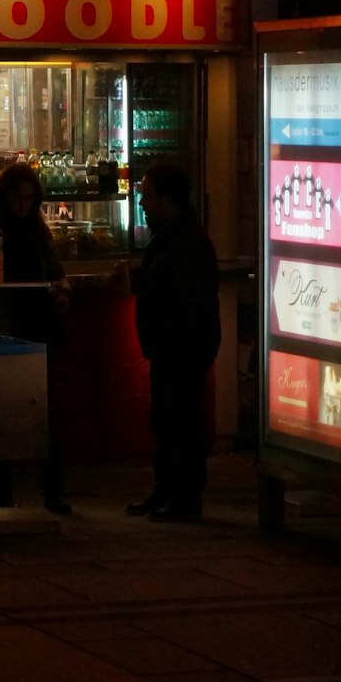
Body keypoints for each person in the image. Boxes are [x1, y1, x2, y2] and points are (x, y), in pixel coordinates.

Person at [0, 161, 72, 514]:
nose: (23, 205)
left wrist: (61, 291)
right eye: (17, 198)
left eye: (28, 199)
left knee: (44, 411)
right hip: (7, 325)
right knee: (1, 409)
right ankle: (2, 491)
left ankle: (51, 491)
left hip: (39, 324)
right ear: (5, 198)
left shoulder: (39, 232)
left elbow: (55, 272)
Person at [125, 162, 220, 523]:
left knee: (181, 422)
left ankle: (184, 499)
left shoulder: (185, 242)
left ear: (167, 199)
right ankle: (167, 491)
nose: (142, 202)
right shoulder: (174, 237)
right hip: (171, 348)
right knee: (168, 421)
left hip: (181, 348)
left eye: (147, 195)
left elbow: (184, 300)